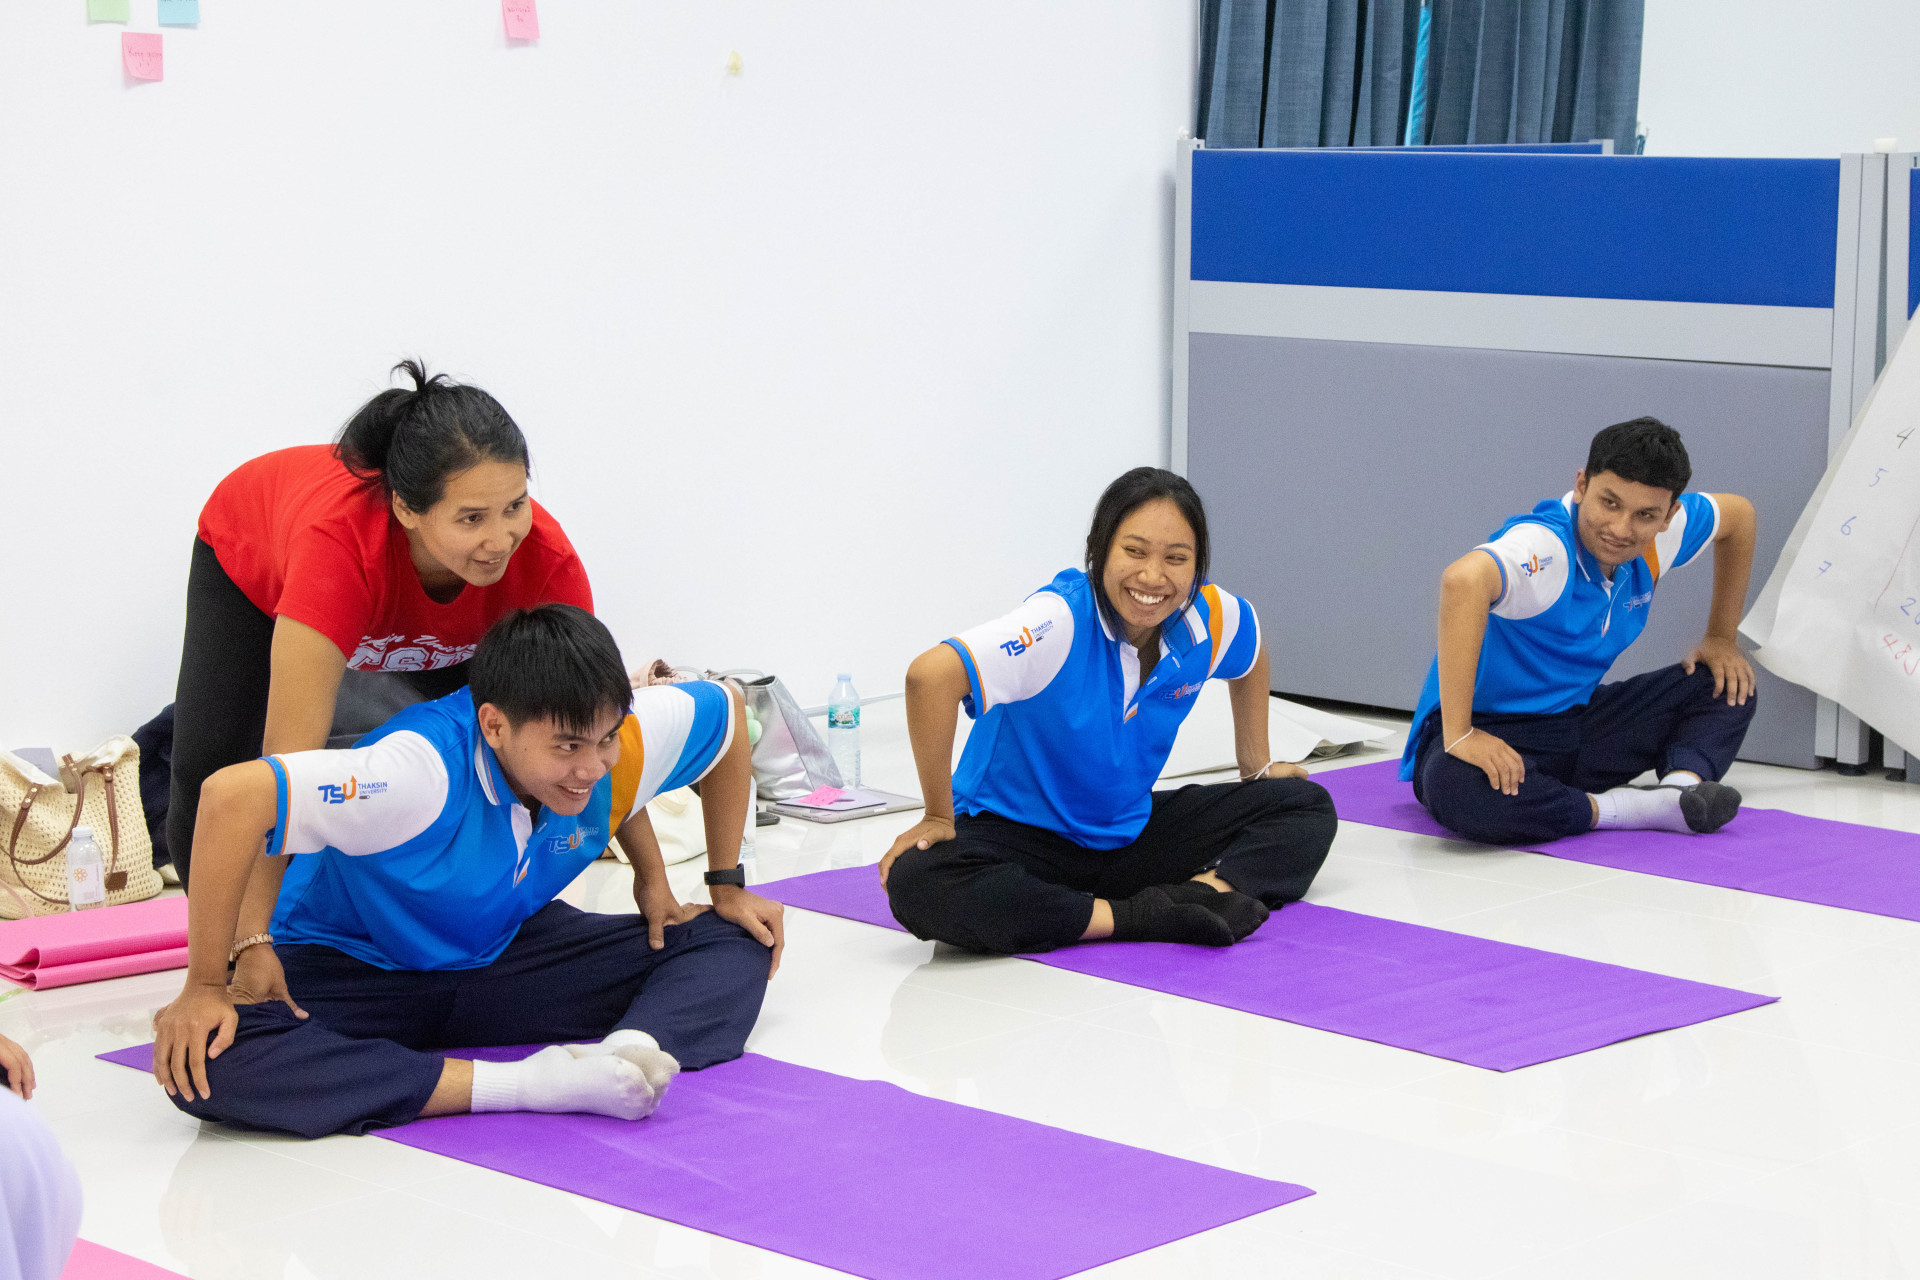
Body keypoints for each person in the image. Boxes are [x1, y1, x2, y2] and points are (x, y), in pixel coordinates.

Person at [148, 605, 784, 1139]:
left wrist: (725, 884)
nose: (591, 768)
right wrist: (210, 979)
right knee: (208, 1062)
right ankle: (530, 1084)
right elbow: (233, 797)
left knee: (734, 937)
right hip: (353, 966)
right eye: (567, 747)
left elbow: (730, 713)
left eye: (606, 740)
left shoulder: (616, 741)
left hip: (500, 956)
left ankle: (623, 1059)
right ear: (495, 726)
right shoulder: (414, 773)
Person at [167, 360, 592, 889]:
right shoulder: (338, 549)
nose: (501, 539)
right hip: (250, 559)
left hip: (423, 626)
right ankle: (227, 929)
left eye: (515, 505)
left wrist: (650, 878)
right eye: (471, 518)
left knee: (503, 748)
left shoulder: (546, 562)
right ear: (407, 509)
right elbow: (287, 772)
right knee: (211, 773)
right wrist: (255, 930)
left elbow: (589, 727)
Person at [881, 467, 1336, 955]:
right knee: (919, 880)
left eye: (1176, 558)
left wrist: (1256, 763)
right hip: (1013, 837)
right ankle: (1145, 915)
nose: (1153, 576)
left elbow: (1251, 649)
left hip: (1125, 835)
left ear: (1196, 565)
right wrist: (936, 815)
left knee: (1303, 804)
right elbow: (929, 677)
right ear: (1098, 550)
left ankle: (1192, 896)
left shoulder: (1208, 614)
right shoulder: (1057, 620)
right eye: (1134, 551)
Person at [1401, 417, 1759, 845]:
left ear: (1670, 515)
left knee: (1726, 684)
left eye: (1645, 515)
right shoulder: (1546, 546)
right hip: (1492, 730)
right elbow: (1463, 581)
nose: (1621, 529)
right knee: (1455, 787)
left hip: (1576, 723)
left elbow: (1739, 516)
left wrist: (1721, 637)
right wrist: (1461, 733)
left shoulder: (1659, 539)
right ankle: (1625, 810)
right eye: (1609, 503)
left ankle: (1679, 791)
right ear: (1582, 485)